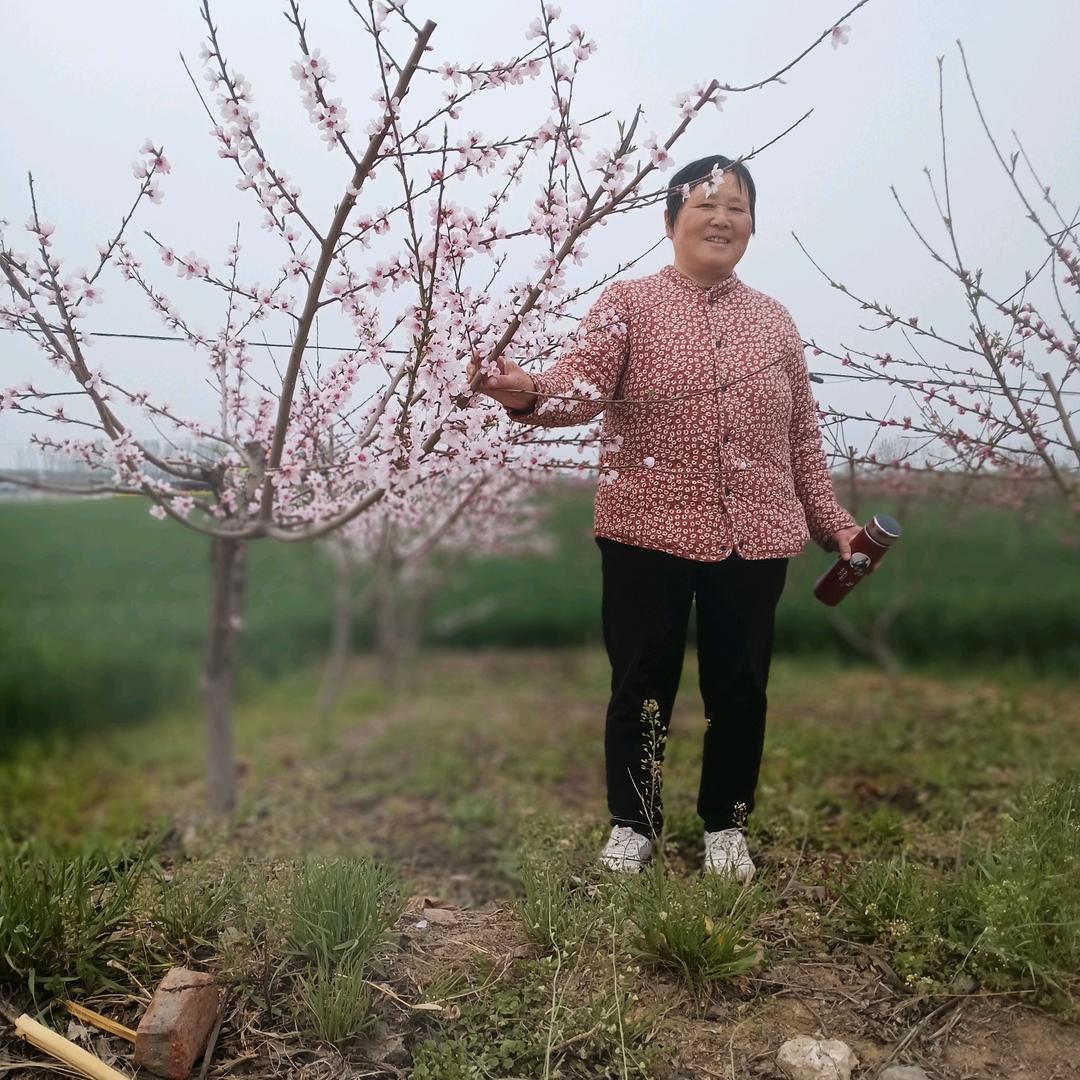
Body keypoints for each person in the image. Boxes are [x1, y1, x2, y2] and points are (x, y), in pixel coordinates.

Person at [469, 155, 859, 880]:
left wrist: (828, 518)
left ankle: (726, 829)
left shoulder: (775, 322)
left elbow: (802, 433)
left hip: (757, 534)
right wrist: (523, 391)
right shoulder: (629, 303)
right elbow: (579, 388)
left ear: (753, 224)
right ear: (671, 220)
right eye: (706, 204)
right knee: (641, 682)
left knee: (739, 688)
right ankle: (634, 824)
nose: (722, 218)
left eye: (738, 206)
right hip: (647, 528)